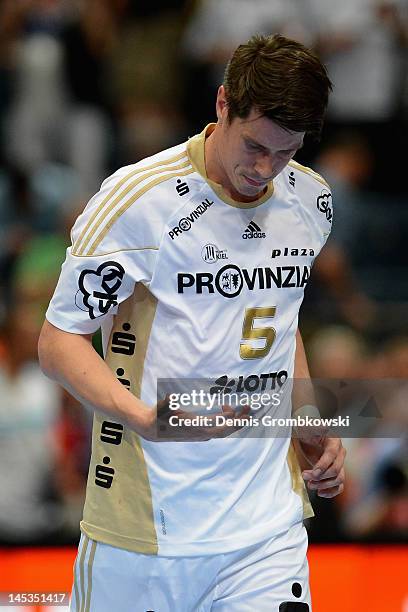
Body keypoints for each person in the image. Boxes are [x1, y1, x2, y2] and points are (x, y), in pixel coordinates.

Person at [39, 34, 346, 611]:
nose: (265, 169)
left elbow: (282, 322)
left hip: (265, 531)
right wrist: (140, 417)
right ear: (223, 104)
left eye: (286, 152)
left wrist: (308, 418)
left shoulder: (311, 200)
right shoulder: (139, 199)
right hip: (146, 530)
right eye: (255, 146)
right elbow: (58, 341)